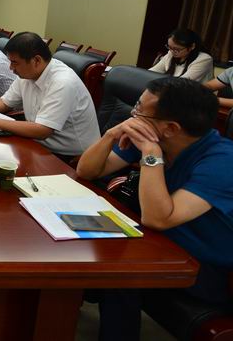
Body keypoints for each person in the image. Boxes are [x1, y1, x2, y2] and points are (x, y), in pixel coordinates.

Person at [76, 78, 233, 341]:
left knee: (120, 272)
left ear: (170, 128)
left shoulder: (222, 162)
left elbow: (158, 218)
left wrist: (150, 152)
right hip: (162, 245)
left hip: (208, 269)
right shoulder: (154, 138)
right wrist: (111, 134)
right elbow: (87, 171)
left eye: (139, 110)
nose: (132, 115)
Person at [0, 31, 100, 160]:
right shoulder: (27, 74)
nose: (11, 68)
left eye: (14, 62)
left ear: (36, 60)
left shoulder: (63, 82)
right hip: (37, 144)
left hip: (69, 157)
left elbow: (42, 130)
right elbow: (5, 102)